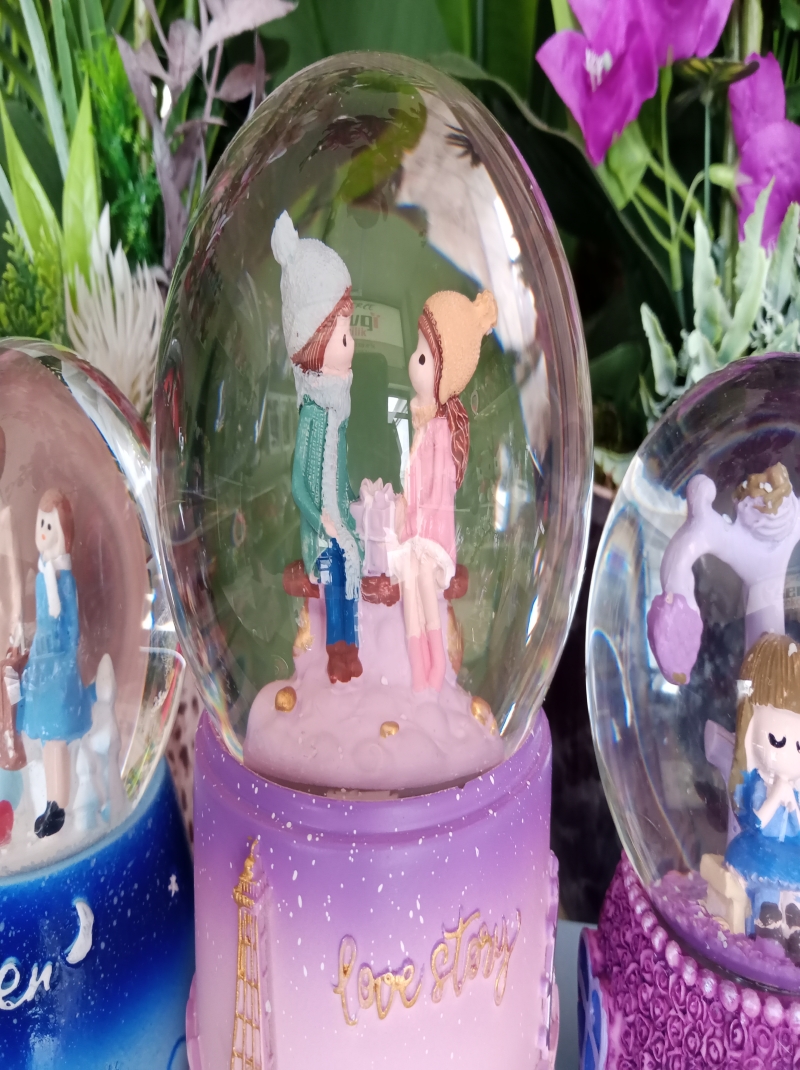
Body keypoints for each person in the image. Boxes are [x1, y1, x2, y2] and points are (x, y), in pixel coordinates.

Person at [271, 211, 363, 685]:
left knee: (351, 578)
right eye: (343, 335)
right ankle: (335, 649)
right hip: (321, 531)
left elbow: (337, 471)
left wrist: (349, 501)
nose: (351, 345)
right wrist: (321, 519)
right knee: (334, 577)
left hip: (339, 520)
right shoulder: (313, 414)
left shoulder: (338, 410)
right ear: (315, 341)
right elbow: (299, 483)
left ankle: (351, 645)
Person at [389, 290, 497, 692]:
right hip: (415, 531)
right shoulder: (425, 423)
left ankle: (433, 669)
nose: (412, 362)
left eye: (423, 357)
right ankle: (420, 668)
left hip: (430, 534)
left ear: (445, 374)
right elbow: (414, 482)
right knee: (410, 586)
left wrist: (416, 524)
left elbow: (438, 493)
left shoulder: (438, 430)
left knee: (421, 585)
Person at [17, 489, 94, 838]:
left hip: (59, 663)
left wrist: (65, 660)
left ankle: (59, 806)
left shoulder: (64, 579)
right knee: (48, 739)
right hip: (42, 660)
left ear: (64, 534)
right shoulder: (42, 575)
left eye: (50, 526)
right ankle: (51, 802)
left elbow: (70, 625)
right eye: (41, 524)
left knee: (57, 740)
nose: (44, 532)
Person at [723, 633, 800, 954]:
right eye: (777, 741)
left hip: (791, 856)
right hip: (760, 853)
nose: (789, 754)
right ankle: (767, 929)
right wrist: (775, 795)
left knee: (792, 900)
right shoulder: (757, 783)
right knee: (768, 897)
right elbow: (754, 822)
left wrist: (793, 805)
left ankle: (794, 928)